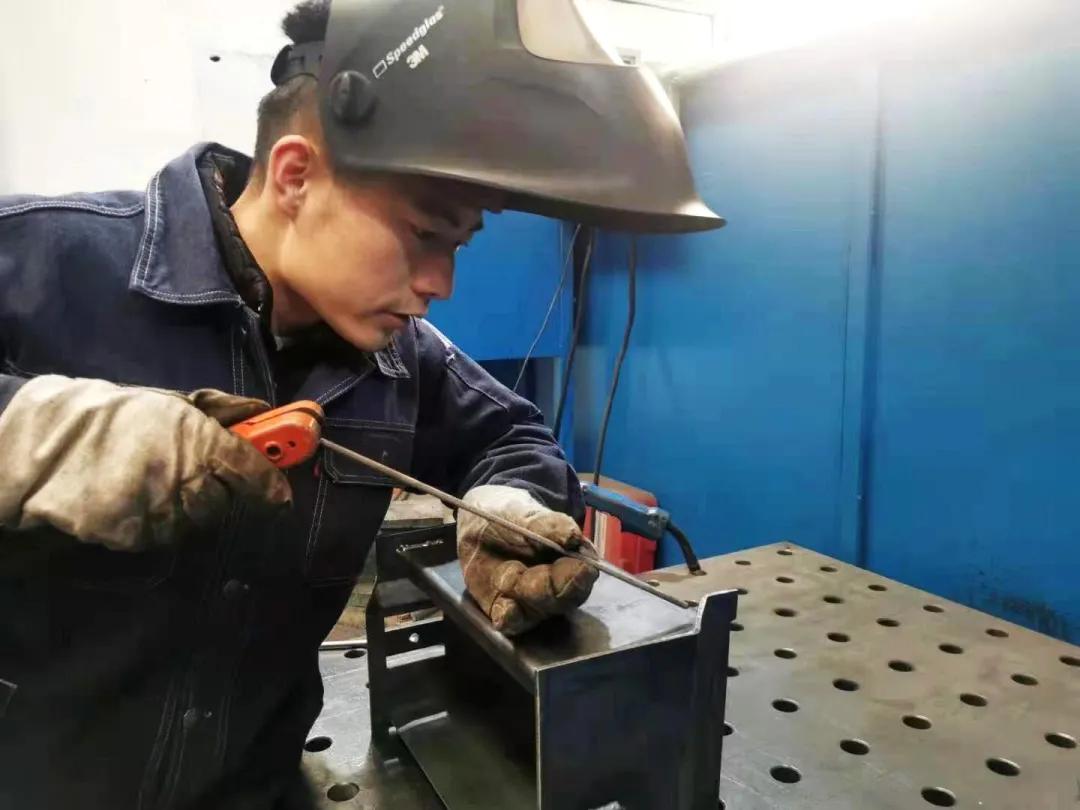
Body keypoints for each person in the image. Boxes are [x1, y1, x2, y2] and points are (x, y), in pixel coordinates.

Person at [0, 0, 721, 807]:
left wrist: (506, 502)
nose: (441, 283)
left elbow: (513, 434)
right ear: (296, 176)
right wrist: (33, 437)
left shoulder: (402, 360)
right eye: (423, 234)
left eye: (458, 245)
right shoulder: (40, 260)